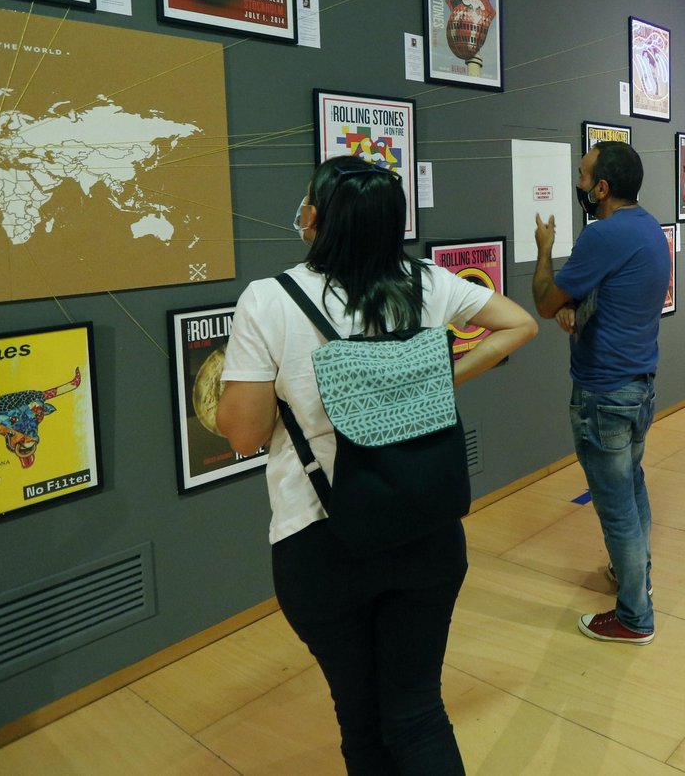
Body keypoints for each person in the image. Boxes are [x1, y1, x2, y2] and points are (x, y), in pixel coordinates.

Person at [216, 157, 538, 775]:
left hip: (321, 539)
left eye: (308, 202)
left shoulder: (269, 300)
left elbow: (244, 433)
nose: (302, 212)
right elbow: (518, 324)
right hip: (427, 525)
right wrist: (438, 377)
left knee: (362, 724)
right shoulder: (425, 283)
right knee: (417, 711)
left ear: (320, 220)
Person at [532, 140, 672, 645]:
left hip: (604, 395)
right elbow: (612, 299)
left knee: (615, 508)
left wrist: (545, 249)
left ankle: (635, 616)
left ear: (603, 188)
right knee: (631, 487)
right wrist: (581, 312)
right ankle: (635, 575)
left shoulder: (602, 235)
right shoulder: (650, 229)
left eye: (584, 176)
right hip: (639, 388)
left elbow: (547, 303)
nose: (579, 183)